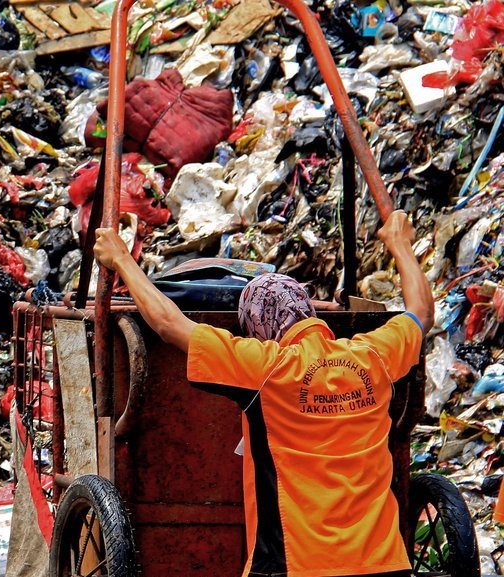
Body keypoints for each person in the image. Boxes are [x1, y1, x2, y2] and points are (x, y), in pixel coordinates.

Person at [93, 209, 433, 577]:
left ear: (257, 326)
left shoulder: (267, 367)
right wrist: (400, 243)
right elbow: (421, 314)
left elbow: (168, 324)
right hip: (386, 564)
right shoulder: (373, 356)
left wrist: (123, 260)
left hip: (295, 566)